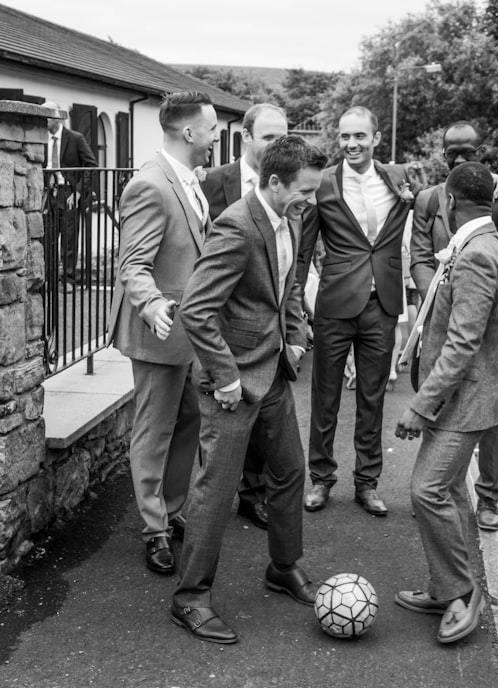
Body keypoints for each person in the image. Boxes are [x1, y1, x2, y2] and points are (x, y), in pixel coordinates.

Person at [172, 135, 327, 645]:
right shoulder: (236, 226)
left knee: (289, 471)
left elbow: (288, 287)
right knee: (216, 490)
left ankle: (283, 567)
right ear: (275, 182)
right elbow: (196, 310)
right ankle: (190, 598)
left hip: (275, 370)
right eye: (305, 191)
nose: (312, 200)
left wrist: (298, 338)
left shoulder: (294, 215)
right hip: (231, 383)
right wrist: (227, 378)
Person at [394, 161, 498, 644]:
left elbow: (463, 344)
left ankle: (462, 595)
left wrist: (420, 406)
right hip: (467, 398)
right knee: (451, 495)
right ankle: (448, 589)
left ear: (448, 201)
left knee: (427, 491)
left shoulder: (478, 253)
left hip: (465, 401)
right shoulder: (486, 242)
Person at [108, 91, 218, 575]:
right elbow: (132, 264)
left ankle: (173, 510)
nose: (217, 137)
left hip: (188, 331)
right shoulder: (149, 185)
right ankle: (154, 531)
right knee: (154, 431)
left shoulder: (192, 179)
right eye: (213, 128)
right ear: (189, 132)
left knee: (188, 421)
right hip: (158, 328)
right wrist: (152, 305)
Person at [297, 106, 421, 517]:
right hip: (334, 302)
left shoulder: (400, 178)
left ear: (377, 138)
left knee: (372, 399)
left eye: (360, 137)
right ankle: (320, 479)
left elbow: (439, 198)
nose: (352, 144)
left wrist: (496, 182)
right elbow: (304, 248)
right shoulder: (324, 183)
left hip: (382, 303)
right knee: (325, 397)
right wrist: (296, 300)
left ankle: (367, 483)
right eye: (345, 137)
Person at [410, 121, 498, 532]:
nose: (459, 158)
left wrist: (463, 302)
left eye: (467, 151)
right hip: (437, 309)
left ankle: (489, 495)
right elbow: (420, 256)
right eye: (451, 151)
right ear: (442, 152)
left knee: (484, 407)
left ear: (483, 150)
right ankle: (445, 492)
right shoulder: (427, 199)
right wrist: (437, 298)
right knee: (445, 410)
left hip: (478, 311)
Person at [200, 102, 289, 530]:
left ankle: (253, 496)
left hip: (267, 338)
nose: (279, 144)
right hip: (219, 330)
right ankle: (205, 510)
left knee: (271, 445)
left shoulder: (292, 190)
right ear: (247, 138)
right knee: (215, 442)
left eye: (284, 136)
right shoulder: (215, 183)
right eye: (271, 137)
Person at [41, 101, 97, 289]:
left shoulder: (75, 138)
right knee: (48, 238)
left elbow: (91, 166)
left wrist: (80, 192)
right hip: (47, 193)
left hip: (68, 194)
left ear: (56, 118)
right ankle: (48, 280)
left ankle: (69, 280)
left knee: (69, 239)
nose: (44, 121)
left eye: (46, 117)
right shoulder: (40, 138)